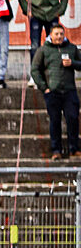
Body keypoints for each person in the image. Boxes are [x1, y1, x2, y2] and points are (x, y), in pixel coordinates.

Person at [30, 23, 81, 161]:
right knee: (55, 121)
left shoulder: (72, 48)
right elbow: (35, 69)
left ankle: (74, 148)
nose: (59, 37)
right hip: (53, 91)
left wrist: (73, 63)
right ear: (50, 35)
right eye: (56, 34)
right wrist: (44, 87)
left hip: (69, 91)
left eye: (61, 34)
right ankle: (56, 150)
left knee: (73, 119)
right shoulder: (43, 50)